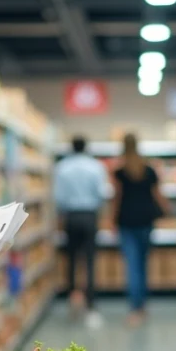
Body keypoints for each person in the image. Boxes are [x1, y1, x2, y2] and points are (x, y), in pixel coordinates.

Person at [111, 133, 171, 326]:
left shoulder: (119, 171)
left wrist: (112, 221)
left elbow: (117, 199)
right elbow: (157, 194)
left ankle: (135, 308)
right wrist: (167, 210)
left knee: (132, 266)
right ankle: (142, 305)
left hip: (126, 222)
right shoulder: (149, 170)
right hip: (146, 221)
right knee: (143, 264)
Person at [53, 135, 110, 328]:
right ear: (86, 147)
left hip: (71, 216)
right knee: (90, 260)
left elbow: (59, 197)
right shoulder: (96, 166)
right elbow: (102, 194)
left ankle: (72, 300)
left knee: (71, 260)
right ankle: (91, 304)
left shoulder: (62, 167)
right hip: (89, 216)